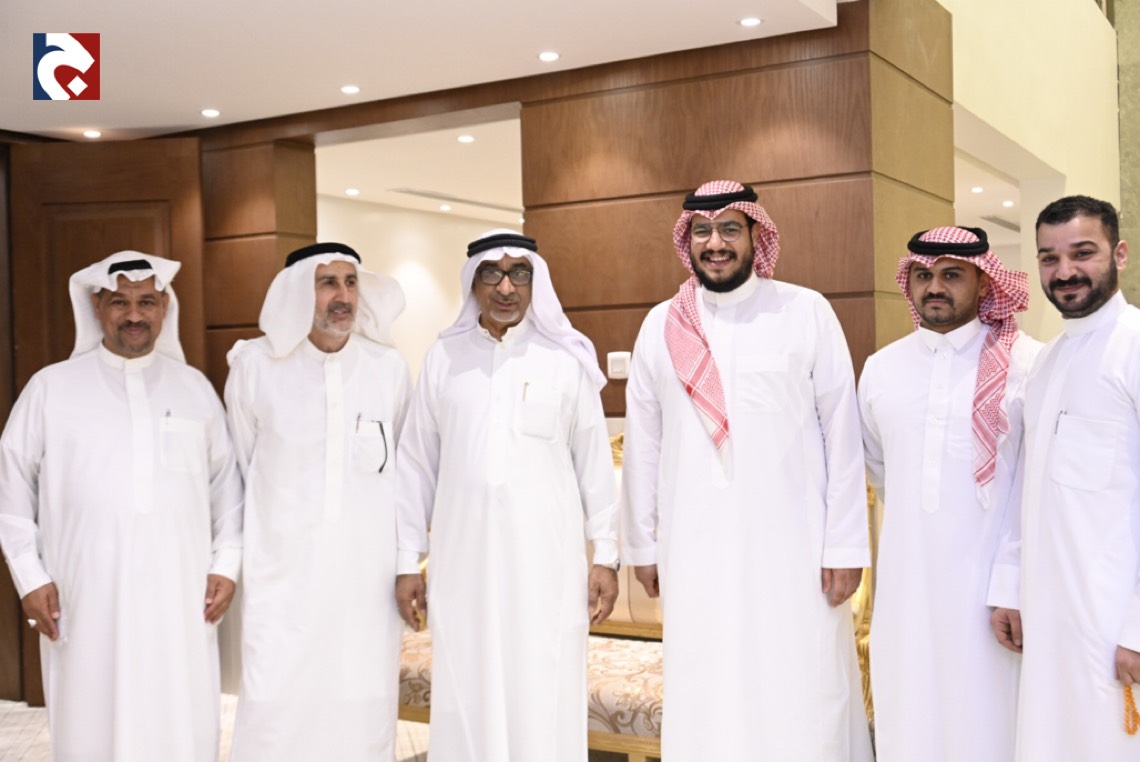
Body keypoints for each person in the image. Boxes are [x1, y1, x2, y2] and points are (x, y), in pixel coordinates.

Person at [622, 180, 872, 760]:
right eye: (703, 231)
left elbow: (842, 435)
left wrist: (845, 546)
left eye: (730, 229)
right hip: (694, 547)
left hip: (796, 550)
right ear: (687, 241)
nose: (716, 243)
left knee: (801, 679)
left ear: (757, 235)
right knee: (706, 680)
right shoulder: (661, 324)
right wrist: (641, 545)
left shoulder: (805, 311)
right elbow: (644, 442)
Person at [0, 251, 243, 761]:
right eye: (120, 302)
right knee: (91, 720)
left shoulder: (194, 389)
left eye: (146, 302)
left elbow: (228, 487)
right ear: (96, 308)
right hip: (84, 597)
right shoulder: (51, 388)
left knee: (178, 719)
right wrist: (30, 576)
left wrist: (226, 565)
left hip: (181, 597)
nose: (134, 315)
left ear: (164, 307)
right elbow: (11, 485)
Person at [394, 230, 619, 761]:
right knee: (467, 685)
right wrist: (407, 561)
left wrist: (606, 555)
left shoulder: (565, 359)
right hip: (463, 569)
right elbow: (415, 466)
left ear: (535, 283)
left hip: (547, 569)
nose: (506, 287)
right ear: (472, 283)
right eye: (491, 273)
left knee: (543, 686)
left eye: (520, 274)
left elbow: (594, 465)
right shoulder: (444, 359)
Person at [858, 226, 1039, 761]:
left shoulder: (1029, 364)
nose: (934, 287)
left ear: (985, 282)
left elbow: (1034, 490)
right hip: (907, 586)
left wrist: (1013, 583)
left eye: (951, 275)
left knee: (991, 720)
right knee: (910, 711)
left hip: (995, 593)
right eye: (923, 275)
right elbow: (880, 469)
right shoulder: (881, 368)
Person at [225, 242, 410, 761]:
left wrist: (405, 563)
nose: (342, 296)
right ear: (296, 294)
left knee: (361, 705)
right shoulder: (255, 366)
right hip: (283, 576)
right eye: (327, 283)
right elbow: (241, 469)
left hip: (365, 581)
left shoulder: (388, 368)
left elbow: (402, 474)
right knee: (276, 704)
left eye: (350, 283)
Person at [990, 196, 1140, 761]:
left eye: (1083, 253)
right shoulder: (1045, 362)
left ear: (1119, 254)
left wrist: (1137, 628)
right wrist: (1009, 590)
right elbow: (1026, 493)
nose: (1065, 271)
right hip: (1049, 619)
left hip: (1112, 622)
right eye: (1049, 258)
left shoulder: (1135, 347)